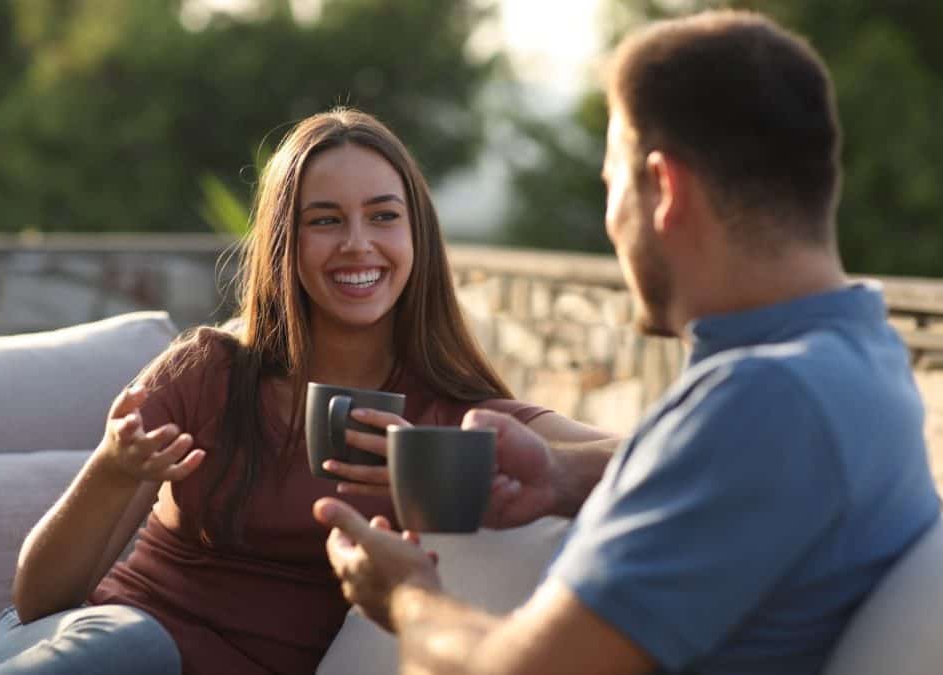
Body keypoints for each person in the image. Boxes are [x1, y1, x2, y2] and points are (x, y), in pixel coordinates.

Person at [314, 11, 942, 675]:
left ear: (664, 189)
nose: (612, 218)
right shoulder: (858, 350)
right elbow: (732, 489)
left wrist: (405, 595)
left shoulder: (767, 398)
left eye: (612, 182)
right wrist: (562, 476)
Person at [0, 108, 615, 675]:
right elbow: (38, 600)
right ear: (287, 244)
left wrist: (550, 467)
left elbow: (656, 452)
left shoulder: (452, 417)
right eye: (325, 220)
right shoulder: (208, 371)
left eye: (383, 216)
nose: (357, 244)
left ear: (415, 234)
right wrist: (113, 464)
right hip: (89, 647)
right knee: (138, 651)